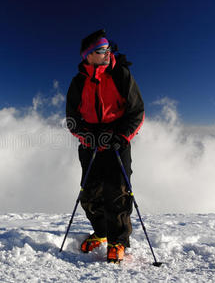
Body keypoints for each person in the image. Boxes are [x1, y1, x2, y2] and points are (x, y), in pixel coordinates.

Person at [65, 29, 144, 263]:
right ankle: (100, 232)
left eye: (109, 48)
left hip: (118, 142)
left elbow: (136, 112)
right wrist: (88, 136)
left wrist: (121, 135)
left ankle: (118, 241)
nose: (107, 52)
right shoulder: (78, 82)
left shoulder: (121, 74)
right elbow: (72, 118)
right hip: (90, 144)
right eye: (101, 50)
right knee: (90, 192)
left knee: (117, 190)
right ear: (88, 55)